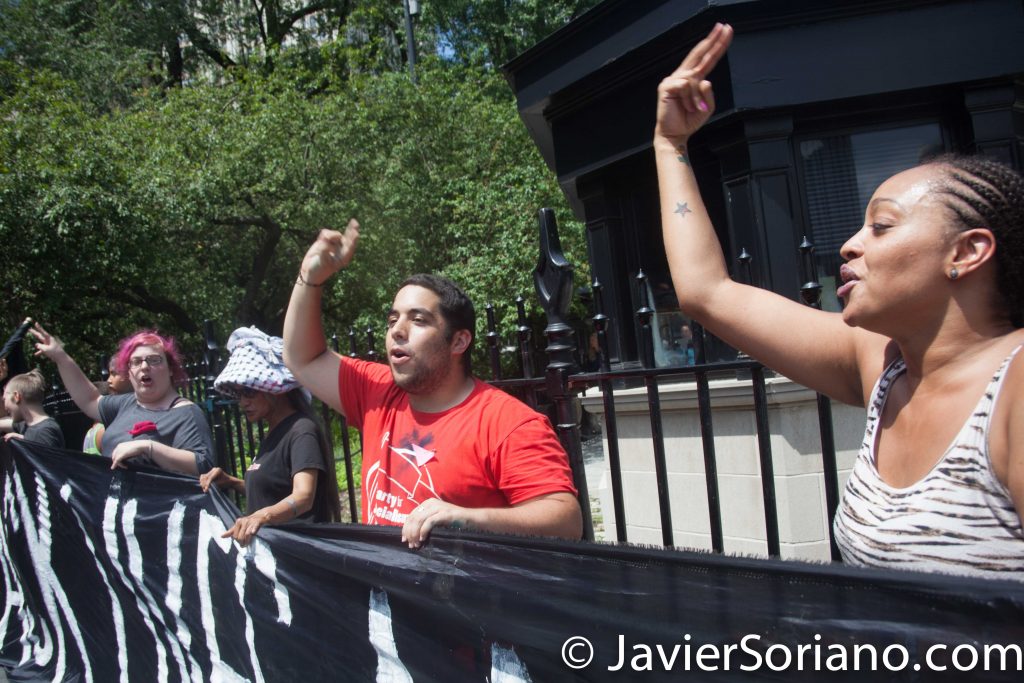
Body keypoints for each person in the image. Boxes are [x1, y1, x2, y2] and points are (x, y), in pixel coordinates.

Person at [655, 23, 1024, 578]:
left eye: (882, 225)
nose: (850, 244)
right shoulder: (885, 368)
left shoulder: (1014, 389)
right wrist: (670, 145)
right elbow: (706, 292)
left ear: (967, 252)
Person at [282, 220, 583, 549]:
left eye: (418, 320)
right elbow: (302, 359)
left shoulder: (508, 423)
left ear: (459, 341)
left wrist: (467, 519)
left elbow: (566, 522)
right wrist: (309, 278)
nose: (397, 330)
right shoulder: (376, 392)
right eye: (393, 319)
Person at [200, 326, 341, 546]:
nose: (242, 402)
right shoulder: (274, 432)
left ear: (276, 389)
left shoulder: (301, 430)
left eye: (249, 391)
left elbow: (303, 496)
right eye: (238, 394)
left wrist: (262, 517)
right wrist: (231, 482)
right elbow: (273, 490)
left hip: (298, 554)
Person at [30, 323, 214, 474]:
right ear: (129, 372)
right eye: (136, 362)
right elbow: (89, 399)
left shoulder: (186, 413)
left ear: (171, 369)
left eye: (154, 360)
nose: (144, 367)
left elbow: (203, 465)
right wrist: (60, 357)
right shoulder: (126, 403)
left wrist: (149, 448)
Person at [0, 365, 65, 448]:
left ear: (16, 397)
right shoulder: (28, 425)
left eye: (4, 399)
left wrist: (24, 444)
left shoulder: (43, 433)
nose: (5, 406)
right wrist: (24, 440)